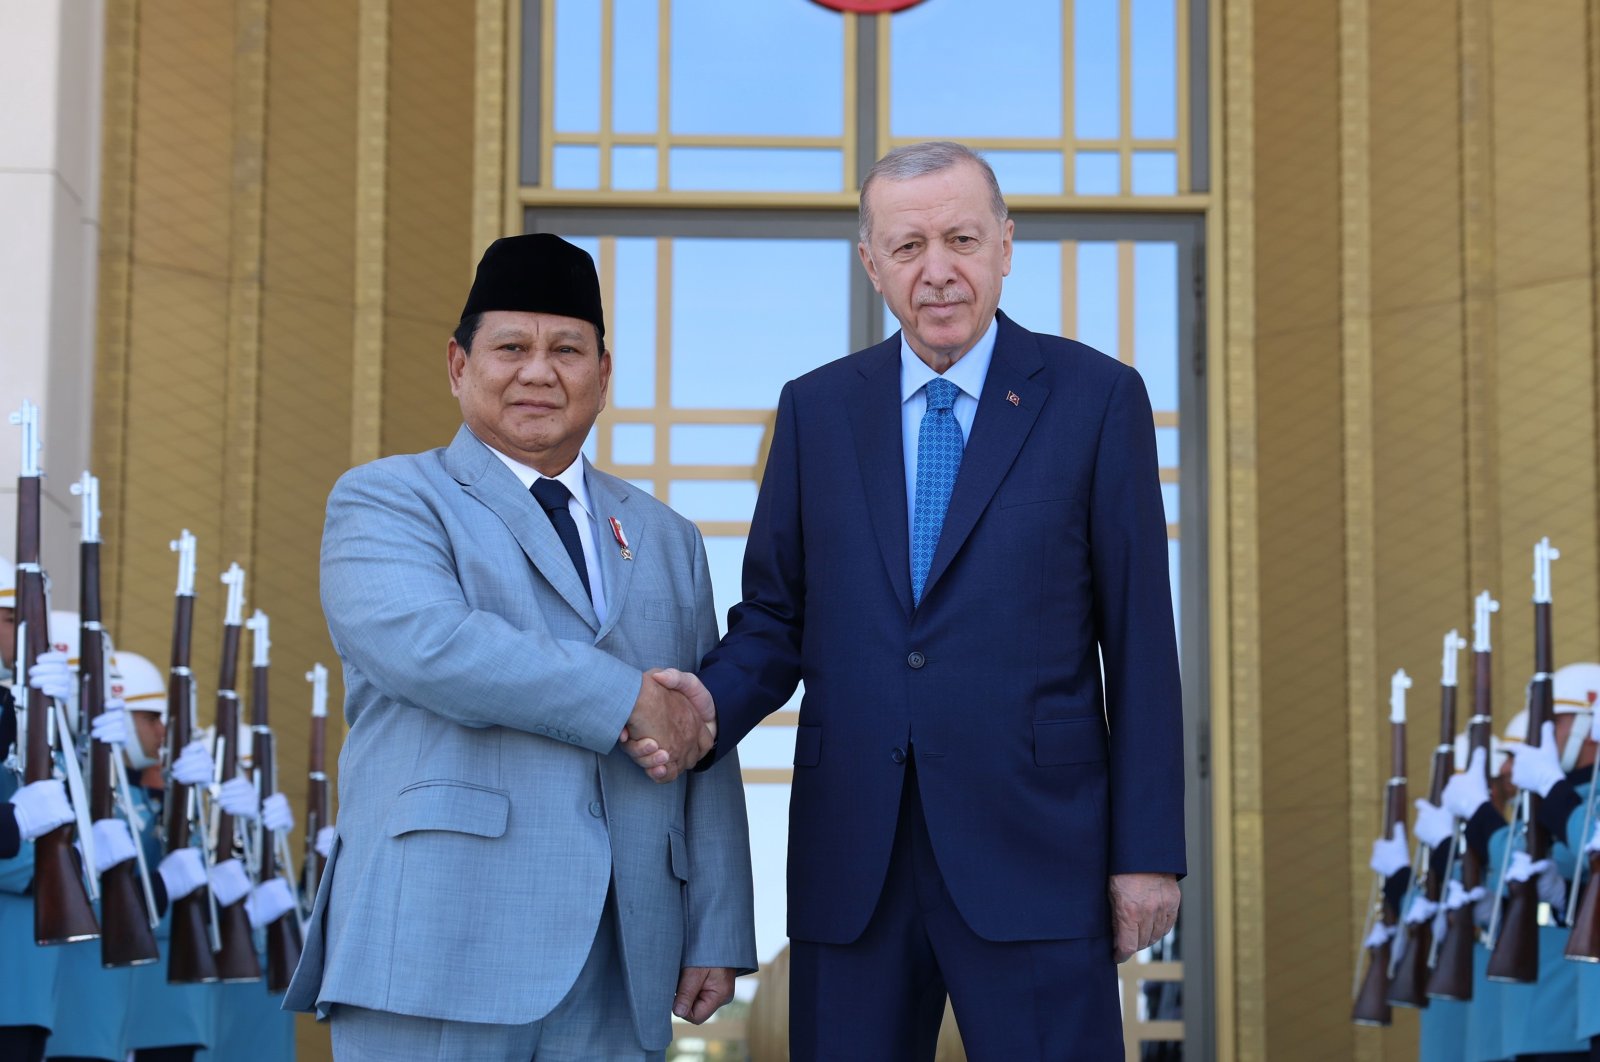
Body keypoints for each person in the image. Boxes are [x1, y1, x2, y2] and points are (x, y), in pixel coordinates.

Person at [635, 140, 1184, 1059]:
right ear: (871, 265)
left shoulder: (1097, 400)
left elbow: (1139, 647)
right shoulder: (815, 411)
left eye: (962, 240)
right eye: (908, 247)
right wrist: (704, 709)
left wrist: (1147, 852)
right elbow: (776, 618)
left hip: (1037, 855)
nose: (938, 272)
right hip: (855, 857)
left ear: (1006, 246)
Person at [284, 233, 757, 1060]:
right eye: (512, 347)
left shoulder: (666, 535)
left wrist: (718, 918)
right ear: (459, 365)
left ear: (604, 377)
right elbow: (431, 646)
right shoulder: (390, 499)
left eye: (567, 349)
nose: (539, 372)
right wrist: (627, 701)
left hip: (625, 946)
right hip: (439, 936)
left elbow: (697, 728)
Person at [0, 557, 76, 1062]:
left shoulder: (11, 706)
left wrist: (72, 728)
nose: (25, 633)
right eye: (11, 619)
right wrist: (14, 826)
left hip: (26, 985)